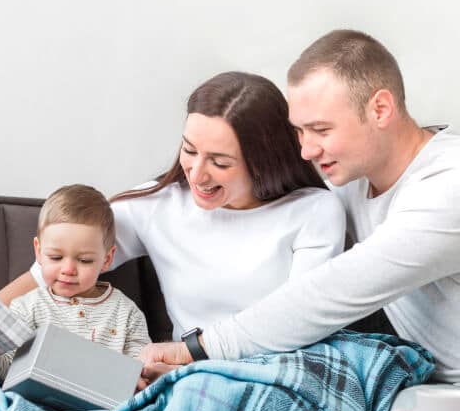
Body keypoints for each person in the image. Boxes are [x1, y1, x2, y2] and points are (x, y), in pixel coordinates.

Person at [139, 30, 460, 384]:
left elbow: (335, 291)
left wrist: (196, 349)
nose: (307, 151)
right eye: (300, 132)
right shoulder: (353, 181)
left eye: (321, 130)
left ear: (380, 109)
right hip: (428, 396)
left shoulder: (447, 187)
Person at [0, 71, 346, 360]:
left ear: (263, 160)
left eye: (220, 162)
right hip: (190, 378)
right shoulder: (157, 205)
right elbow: (47, 270)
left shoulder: (314, 211)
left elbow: (299, 321)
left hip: (280, 366)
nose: (197, 173)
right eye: (189, 151)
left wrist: (189, 354)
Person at [0, 184, 150, 383]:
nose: (68, 269)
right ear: (38, 251)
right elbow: (8, 369)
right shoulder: (26, 308)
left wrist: (136, 380)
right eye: (56, 257)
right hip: (37, 403)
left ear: (107, 258)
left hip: (105, 409)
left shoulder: (127, 313)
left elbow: (142, 368)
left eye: (84, 260)